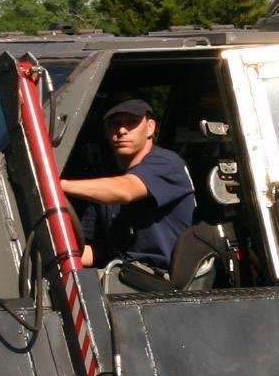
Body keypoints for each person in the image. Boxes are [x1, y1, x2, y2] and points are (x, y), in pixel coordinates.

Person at [61, 99, 196, 276]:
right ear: (106, 131)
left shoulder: (167, 163)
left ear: (150, 127)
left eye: (131, 122)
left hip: (163, 282)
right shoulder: (104, 183)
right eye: (115, 123)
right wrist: (58, 256)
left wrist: (57, 186)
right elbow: (97, 251)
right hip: (121, 276)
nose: (122, 130)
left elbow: (126, 190)